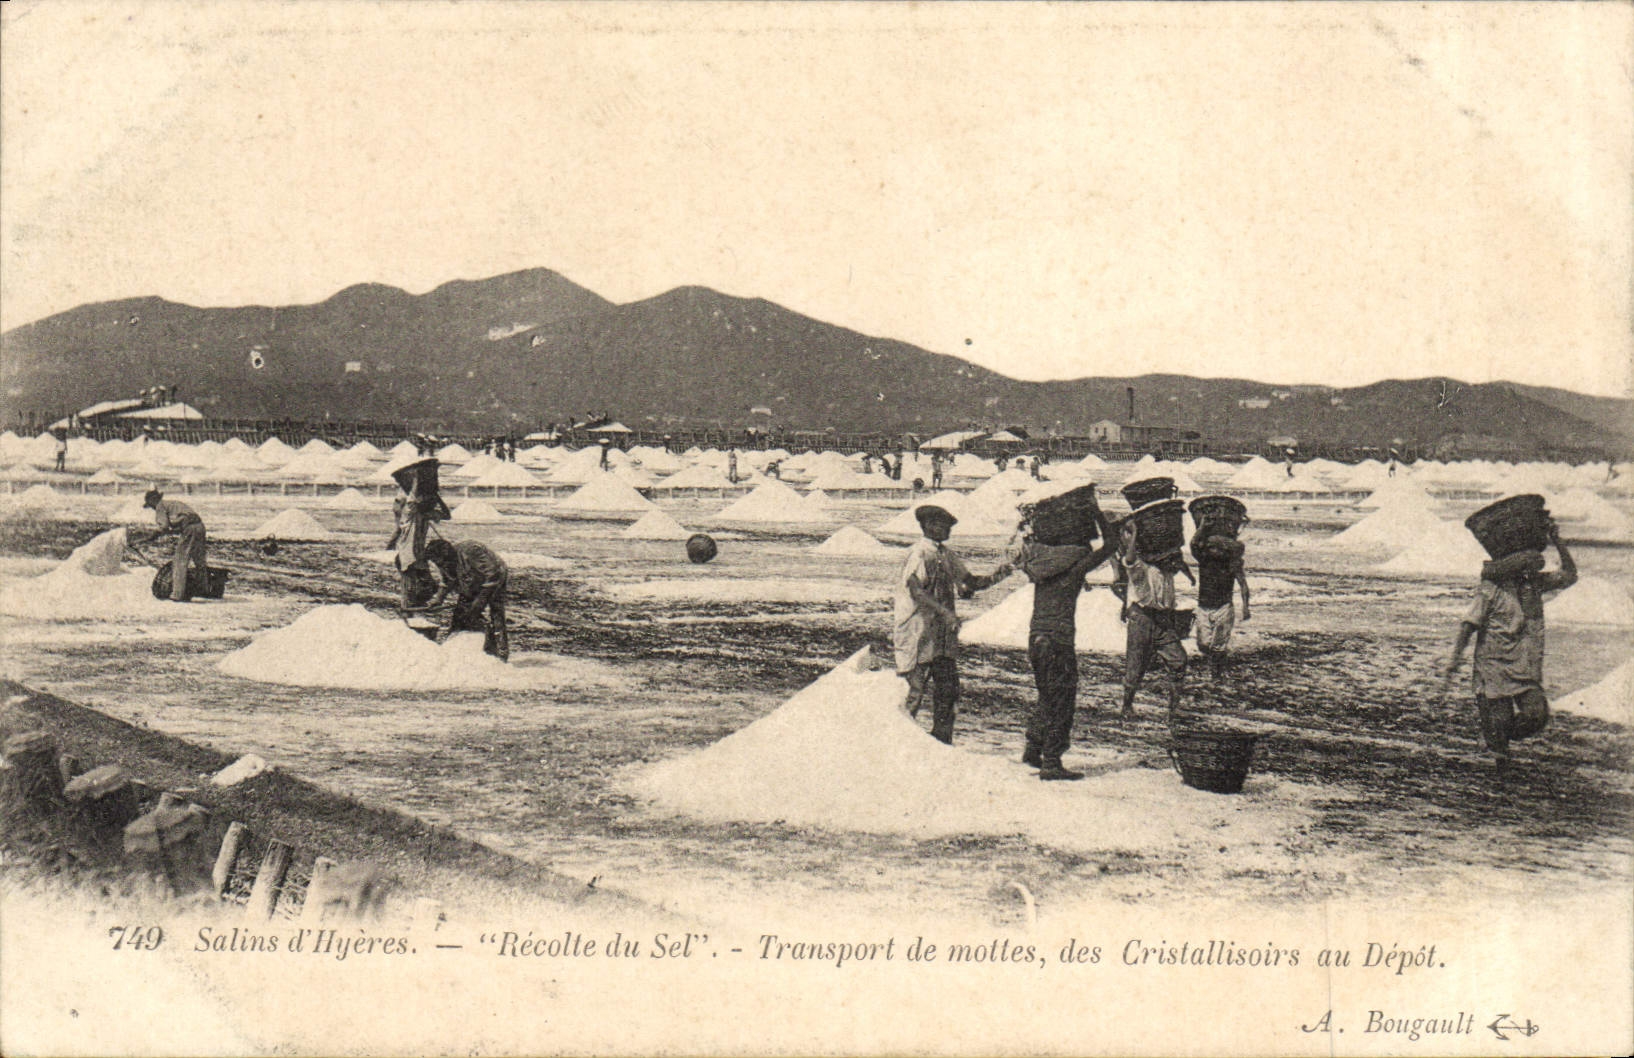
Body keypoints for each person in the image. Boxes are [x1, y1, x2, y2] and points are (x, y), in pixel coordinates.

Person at [1445, 523, 1576, 764]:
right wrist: (1455, 657)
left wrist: (1558, 541)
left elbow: (1569, 576)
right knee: (1500, 736)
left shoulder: (1535, 585)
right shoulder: (1490, 590)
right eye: (1524, 569)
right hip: (1493, 668)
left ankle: (1495, 736)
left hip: (1524, 668)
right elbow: (1469, 624)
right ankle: (1497, 754)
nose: (1528, 573)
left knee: (1537, 716)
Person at [1007, 516, 1118, 780]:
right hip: (1058, 640)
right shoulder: (1074, 569)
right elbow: (1111, 544)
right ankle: (1052, 761)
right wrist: (1096, 512)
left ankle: (1033, 748)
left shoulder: (1043, 568)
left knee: (1046, 694)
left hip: (1037, 637)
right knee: (1062, 699)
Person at [894, 505, 1012, 744]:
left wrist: (1003, 572)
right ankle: (899, 744)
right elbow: (916, 591)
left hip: (943, 636)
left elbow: (970, 582)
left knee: (948, 690)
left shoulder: (946, 555)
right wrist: (945, 611)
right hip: (919, 633)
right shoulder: (920, 553)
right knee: (912, 692)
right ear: (928, 526)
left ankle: (941, 741)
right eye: (943, 525)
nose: (948, 529)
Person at [1116, 520, 1190, 719]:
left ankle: (1174, 708)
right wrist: (1136, 533)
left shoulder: (1166, 568)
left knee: (1179, 660)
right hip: (1141, 618)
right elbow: (1129, 560)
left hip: (1163, 621)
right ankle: (1127, 705)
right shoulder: (1140, 566)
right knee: (1136, 665)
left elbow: (1178, 560)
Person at [425, 538, 511, 661]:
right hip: (471, 581)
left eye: (441, 562)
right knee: (461, 614)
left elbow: (493, 574)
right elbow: (448, 580)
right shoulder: (444, 561)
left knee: (496, 612)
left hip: (494, 578)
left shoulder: (471, 550)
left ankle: (500, 654)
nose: (440, 565)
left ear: (448, 555)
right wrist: (438, 599)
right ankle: (455, 650)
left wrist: (481, 600)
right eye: (437, 563)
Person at [1190, 518, 1251, 680]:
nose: (1215, 551)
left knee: (1218, 646)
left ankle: (1216, 674)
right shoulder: (1204, 560)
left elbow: (1243, 585)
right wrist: (1202, 527)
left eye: (1218, 548)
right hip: (1204, 606)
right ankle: (1215, 667)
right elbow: (1193, 544)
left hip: (1223, 607)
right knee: (1202, 644)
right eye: (1212, 548)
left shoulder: (1232, 564)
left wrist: (1246, 607)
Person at [388, 460, 451, 612]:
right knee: (409, 584)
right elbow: (412, 498)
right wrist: (416, 479)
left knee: (425, 586)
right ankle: (407, 608)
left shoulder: (423, 515)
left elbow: (447, 515)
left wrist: (436, 497)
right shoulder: (409, 516)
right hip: (409, 556)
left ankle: (413, 606)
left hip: (418, 555)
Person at [142, 489, 207, 602]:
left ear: (153, 500)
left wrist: (153, 535)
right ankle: (204, 589)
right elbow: (180, 523)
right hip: (200, 526)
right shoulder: (173, 504)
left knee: (180, 561)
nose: (152, 508)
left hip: (190, 529)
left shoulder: (160, 507)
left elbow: (164, 526)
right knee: (199, 560)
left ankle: (177, 594)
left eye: (150, 505)